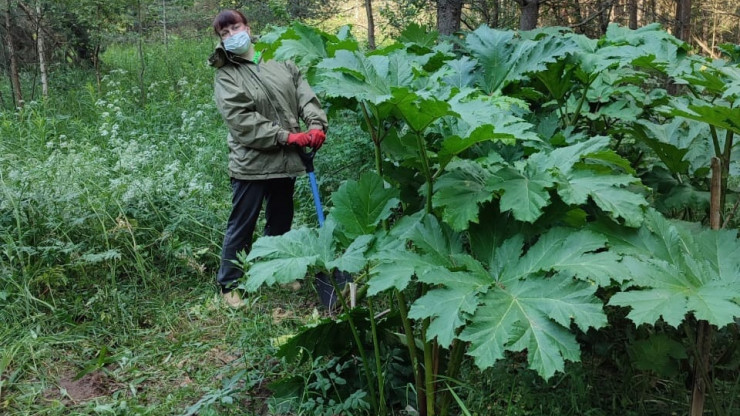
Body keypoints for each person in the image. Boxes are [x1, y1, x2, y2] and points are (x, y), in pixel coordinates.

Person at [208, 9, 328, 308]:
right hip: (252, 162)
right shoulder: (226, 74)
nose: (231, 35)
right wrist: (286, 136)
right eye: (224, 33)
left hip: (287, 159)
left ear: (248, 27)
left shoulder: (279, 59)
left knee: (281, 218)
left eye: (235, 27)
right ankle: (229, 285)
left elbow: (304, 94)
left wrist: (315, 125)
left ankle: (280, 271)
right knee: (243, 223)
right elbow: (241, 120)